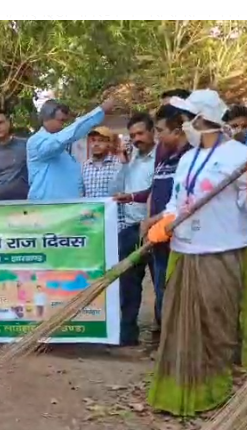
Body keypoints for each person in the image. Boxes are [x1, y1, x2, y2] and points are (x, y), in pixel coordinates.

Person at [145, 89, 247, 416]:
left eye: (186, 119)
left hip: (220, 251)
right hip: (184, 251)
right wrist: (164, 221)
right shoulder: (187, 158)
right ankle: (180, 388)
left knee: (216, 326)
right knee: (178, 327)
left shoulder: (239, 156)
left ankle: (214, 389)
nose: (183, 124)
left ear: (202, 119)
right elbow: (178, 201)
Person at [139, 104, 195, 339]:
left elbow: (182, 203)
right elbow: (154, 192)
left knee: (177, 291)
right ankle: (165, 339)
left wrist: (154, 220)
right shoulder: (165, 159)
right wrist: (148, 221)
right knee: (161, 288)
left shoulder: (190, 159)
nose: (157, 136)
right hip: (159, 237)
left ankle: (178, 339)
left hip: (179, 239)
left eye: (161, 131)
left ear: (177, 131)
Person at [109, 113, 158, 349]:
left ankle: (161, 334)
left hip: (156, 228)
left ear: (152, 132)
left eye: (140, 133)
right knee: (128, 284)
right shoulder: (132, 159)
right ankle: (127, 334)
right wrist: (123, 163)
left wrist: (130, 197)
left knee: (161, 283)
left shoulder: (162, 158)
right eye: (132, 135)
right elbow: (116, 189)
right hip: (130, 228)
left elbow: (155, 191)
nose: (137, 139)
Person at [27, 98, 114, 201]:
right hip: (47, 207)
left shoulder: (63, 150)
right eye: (61, 121)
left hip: (68, 207)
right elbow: (64, 137)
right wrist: (100, 111)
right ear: (47, 119)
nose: (63, 125)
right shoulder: (37, 142)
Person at [223, 104, 247, 255]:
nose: (240, 130)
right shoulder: (218, 157)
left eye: (244, 126)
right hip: (226, 231)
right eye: (234, 126)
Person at [80, 126, 122, 198]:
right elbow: (81, 194)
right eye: (93, 140)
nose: (96, 144)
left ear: (109, 143)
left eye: (100, 140)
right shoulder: (84, 166)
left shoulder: (119, 164)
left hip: (112, 205)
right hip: (90, 205)